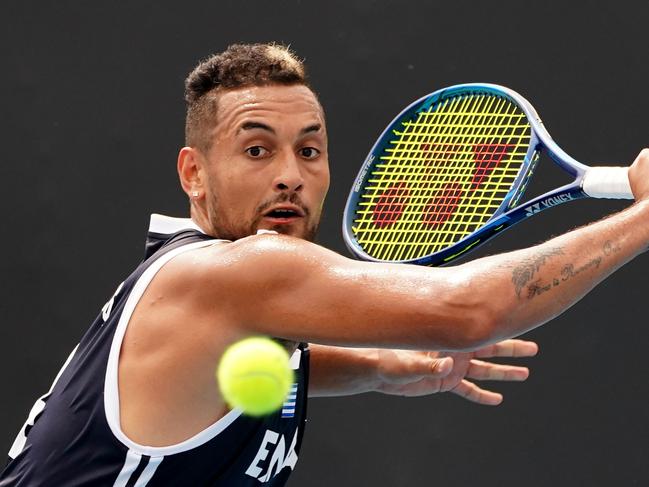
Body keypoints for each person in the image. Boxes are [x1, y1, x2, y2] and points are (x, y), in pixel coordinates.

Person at [2, 43, 648, 486]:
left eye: (309, 151)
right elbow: (471, 310)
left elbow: (212, 379)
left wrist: (378, 370)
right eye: (256, 150)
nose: (291, 176)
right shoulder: (240, 271)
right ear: (194, 173)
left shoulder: (190, 282)